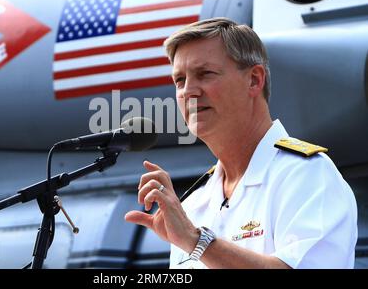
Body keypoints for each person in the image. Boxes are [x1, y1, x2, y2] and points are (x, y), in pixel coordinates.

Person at [124, 17, 358, 269]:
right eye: (179, 80)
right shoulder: (193, 203)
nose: (188, 91)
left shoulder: (306, 174)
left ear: (254, 80)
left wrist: (196, 241)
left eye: (205, 74)